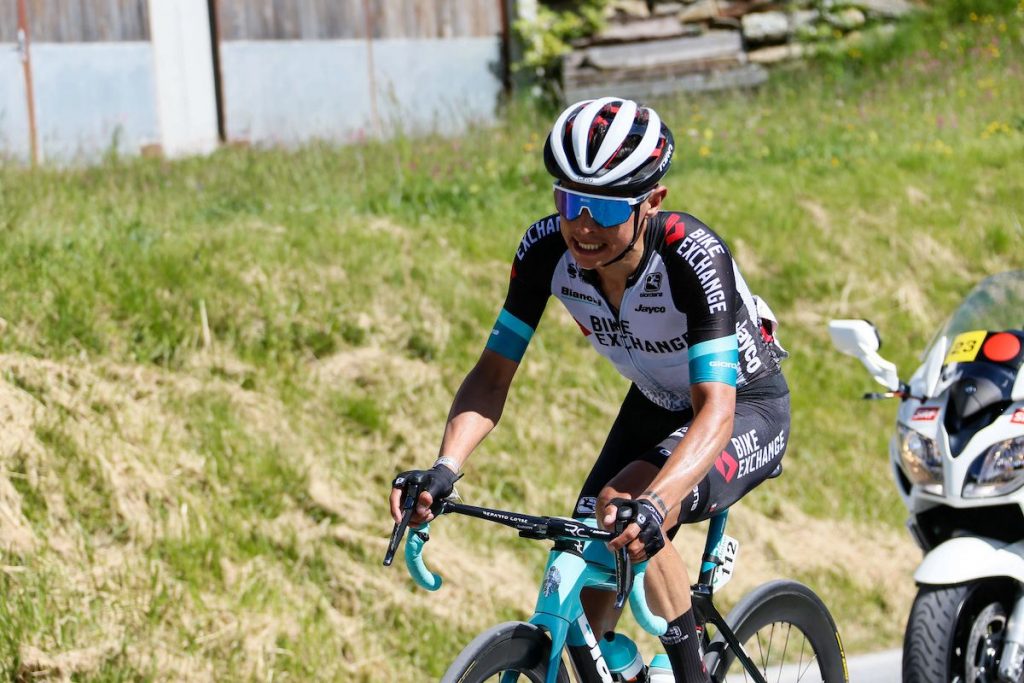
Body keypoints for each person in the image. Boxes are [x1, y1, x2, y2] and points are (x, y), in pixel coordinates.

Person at [389, 97, 790, 683]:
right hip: (657, 404)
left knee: (624, 510)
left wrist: (657, 501)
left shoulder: (691, 256)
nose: (581, 225)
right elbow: (492, 375)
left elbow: (716, 410)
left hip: (743, 408)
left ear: (652, 203)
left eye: (603, 208)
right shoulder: (546, 249)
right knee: (583, 571)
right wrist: (445, 466)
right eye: (570, 201)